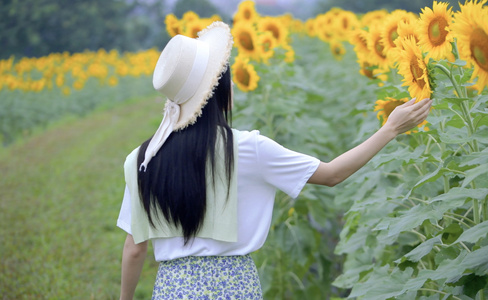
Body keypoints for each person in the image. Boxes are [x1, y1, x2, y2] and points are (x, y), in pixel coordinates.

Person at [117, 21, 432, 299]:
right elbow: (332, 173)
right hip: (235, 287)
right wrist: (390, 129)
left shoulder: (142, 160)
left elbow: (135, 249)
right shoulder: (246, 148)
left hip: (173, 289)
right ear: (221, 93)